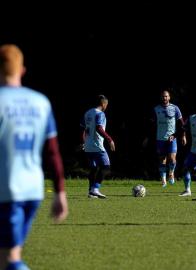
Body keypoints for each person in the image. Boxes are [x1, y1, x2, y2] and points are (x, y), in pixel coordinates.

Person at [0, 44, 68, 270]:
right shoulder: (41, 102)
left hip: (6, 192)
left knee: (10, 258)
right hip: (32, 190)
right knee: (8, 255)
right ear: (22, 70)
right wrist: (59, 192)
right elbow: (52, 151)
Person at [143, 89, 185, 187]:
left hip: (172, 138)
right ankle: (163, 179)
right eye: (163, 96)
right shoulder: (156, 109)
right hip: (160, 138)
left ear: (169, 97)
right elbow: (151, 125)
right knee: (162, 159)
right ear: (160, 98)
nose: (164, 98)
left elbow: (182, 124)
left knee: (172, 158)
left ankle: (171, 173)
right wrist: (147, 138)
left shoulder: (175, 108)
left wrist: (183, 136)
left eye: (166, 96)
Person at [81, 95, 115, 199]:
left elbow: (85, 129)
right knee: (106, 167)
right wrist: (110, 140)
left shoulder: (87, 113)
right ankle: (95, 189)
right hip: (97, 146)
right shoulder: (101, 114)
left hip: (88, 145)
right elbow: (99, 128)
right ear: (104, 104)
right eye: (106, 105)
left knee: (94, 168)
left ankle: (91, 191)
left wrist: (84, 141)